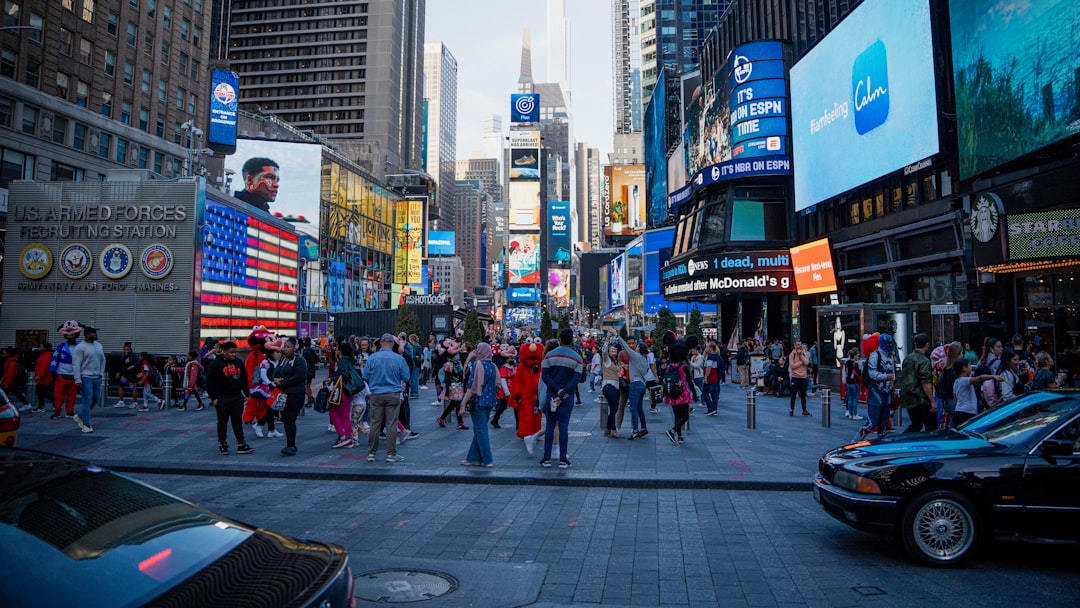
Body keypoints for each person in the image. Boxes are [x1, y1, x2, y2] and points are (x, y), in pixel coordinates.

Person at [539, 329, 583, 468]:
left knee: (550, 425)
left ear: (560, 339)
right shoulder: (577, 358)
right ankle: (563, 459)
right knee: (563, 426)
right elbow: (576, 379)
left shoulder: (549, 356)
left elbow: (545, 376)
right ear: (571, 340)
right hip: (567, 395)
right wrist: (563, 392)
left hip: (552, 394)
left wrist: (556, 390)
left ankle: (546, 458)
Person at [364, 334, 410, 463]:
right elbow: (406, 377)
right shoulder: (398, 359)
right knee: (391, 424)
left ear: (381, 343)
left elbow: (365, 375)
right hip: (393, 394)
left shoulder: (372, 357)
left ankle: (371, 453)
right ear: (392, 344)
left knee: (375, 424)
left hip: (376, 394)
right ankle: (391, 454)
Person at [206, 342, 254, 455]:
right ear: (224, 351)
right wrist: (213, 398)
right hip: (222, 397)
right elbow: (210, 382)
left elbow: (244, 379)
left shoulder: (238, 362)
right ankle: (223, 443)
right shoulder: (216, 364)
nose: (233, 355)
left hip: (237, 396)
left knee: (237, 421)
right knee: (222, 422)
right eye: (231, 352)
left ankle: (241, 443)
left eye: (234, 352)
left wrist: (247, 394)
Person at [459, 342, 499, 467]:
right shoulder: (493, 366)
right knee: (479, 429)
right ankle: (473, 458)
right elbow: (497, 384)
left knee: (481, 430)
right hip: (490, 401)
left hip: (478, 401)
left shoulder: (478, 365)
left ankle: (487, 459)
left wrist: (463, 403)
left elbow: (472, 386)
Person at [274, 338, 309, 456]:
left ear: (295, 348)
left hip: (295, 394)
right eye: (285, 346)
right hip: (282, 393)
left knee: (289, 418)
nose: (286, 349)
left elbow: (299, 376)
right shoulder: (283, 359)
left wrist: (283, 383)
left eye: (289, 346)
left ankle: (291, 445)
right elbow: (276, 371)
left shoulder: (300, 360)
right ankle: (289, 443)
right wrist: (275, 379)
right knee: (285, 418)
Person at [860, 333, 897, 439]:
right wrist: (885, 377)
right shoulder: (875, 355)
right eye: (887, 343)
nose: (889, 346)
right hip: (876, 390)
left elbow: (892, 372)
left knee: (884, 423)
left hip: (887, 391)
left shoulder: (890, 357)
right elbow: (872, 373)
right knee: (872, 422)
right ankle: (854, 441)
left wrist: (892, 383)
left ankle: (880, 443)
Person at [326, 341, 362, 448]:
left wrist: (331, 379)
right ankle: (348, 437)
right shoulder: (350, 361)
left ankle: (342, 437)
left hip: (342, 390)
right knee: (344, 414)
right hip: (350, 392)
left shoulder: (342, 361)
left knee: (334, 413)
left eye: (337, 349)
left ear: (340, 350)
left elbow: (344, 375)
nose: (335, 350)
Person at [71, 326, 106, 434]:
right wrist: (77, 380)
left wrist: (101, 373)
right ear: (87, 334)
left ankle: (80, 416)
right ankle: (86, 424)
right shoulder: (80, 347)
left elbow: (103, 360)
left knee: (95, 399)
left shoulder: (99, 345)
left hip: (96, 377)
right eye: (93, 333)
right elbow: (76, 364)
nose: (95, 334)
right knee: (87, 400)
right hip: (85, 377)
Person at [615, 334, 650, 440]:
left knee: (633, 408)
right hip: (642, 384)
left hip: (635, 383)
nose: (634, 347)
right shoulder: (644, 360)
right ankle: (643, 428)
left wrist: (618, 336)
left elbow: (625, 347)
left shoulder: (635, 356)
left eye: (636, 345)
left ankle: (635, 430)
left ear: (639, 349)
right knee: (639, 408)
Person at [900, 333, 936, 433]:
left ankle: (904, 441)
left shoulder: (907, 358)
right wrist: (932, 400)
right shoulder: (924, 360)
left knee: (916, 424)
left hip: (908, 396)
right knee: (931, 426)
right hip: (921, 398)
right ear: (927, 345)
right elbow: (925, 381)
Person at [951, 359, 1003, 426]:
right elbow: (979, 378)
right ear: (964, 368)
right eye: (969, 365)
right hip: (967, 412)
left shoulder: (956, 382)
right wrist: (993, 376)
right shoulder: (964, 380)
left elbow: (955, 400)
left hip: (959, 411)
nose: (971, 367)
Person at [50, 321, 82, 419]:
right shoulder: (61, 346)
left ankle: (70, 411)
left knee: (72, 395)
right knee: (58, 395)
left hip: (74, 374)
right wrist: (52, 370)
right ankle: (57, 411)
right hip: (61, 373)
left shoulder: (80, 346)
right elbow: (55, 358)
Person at [599, 340, 625, 438]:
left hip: (614, 387)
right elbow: (604, 350)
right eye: (612, 349)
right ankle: (613, 430)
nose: (614, 350)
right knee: (614, 409)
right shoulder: (607, 360)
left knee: (613, 408)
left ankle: (608, 429)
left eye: (615, 349)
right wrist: (608, 338)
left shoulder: (616, 362)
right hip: (609, 386)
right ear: (609, 351)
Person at [936, 342, 962, 428]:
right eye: (961, 353)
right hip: (953, 400)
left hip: (948, 400)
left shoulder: (946, 369)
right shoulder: (953, 370)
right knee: (956, 424)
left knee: (953, 422)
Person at [788, 342, 812, 417]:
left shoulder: (804, 353)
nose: (799, 346)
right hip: (795, 377)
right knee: (793, 394)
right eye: (797, 344)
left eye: (800, 344)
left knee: (803, 394)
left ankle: (804, 410)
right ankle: (791, 409)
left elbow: (807, 363)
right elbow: (792, 366)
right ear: (795, 346)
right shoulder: (792, 354)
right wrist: (801, 362)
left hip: (803, 377)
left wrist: (801, 355)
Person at [113, 342, 140, 408]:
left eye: (127, 349)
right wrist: (118, 372)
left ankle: (135, 402)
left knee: (133, 388)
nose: (126, 351)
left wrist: (133, 366)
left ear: (130, 350)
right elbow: (121, 365)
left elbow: (138, 363)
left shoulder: (133, 356)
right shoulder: (122, 356)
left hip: (132, 374)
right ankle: (121, 401)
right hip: (125, 374)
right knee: (120, 385)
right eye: (125, 349)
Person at [842, 348, 863, 420]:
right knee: (855, 399)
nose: (858, 356)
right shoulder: (855, 364)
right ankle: (854, 414)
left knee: (850, 398)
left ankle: (850, 413)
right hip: (855, 383)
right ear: (854, 356)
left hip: (849, 383)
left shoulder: (847, 362)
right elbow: (859, 373)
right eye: (857, 355)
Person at [32, 343, 54, 414]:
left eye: (41, 346)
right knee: (42, 392)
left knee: (41, 392)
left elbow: (44, 367)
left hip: (44, 377)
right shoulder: (45, 355)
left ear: (45, 348)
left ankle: (41, 406)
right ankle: (44, 405)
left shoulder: (46, 356)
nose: (39, 348)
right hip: (44, 376)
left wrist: (39, 375)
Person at [701, 342, 722, 415]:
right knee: (714, 395)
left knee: (705, 393)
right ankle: (714, 409)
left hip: (711, 378)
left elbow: (708, 368)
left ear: (710, 348)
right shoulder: (717, 356)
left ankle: (711, 408)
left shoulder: (711, 357)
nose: (705, 349)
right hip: (716, 378)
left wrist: (706, 377)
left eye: (707, 347)